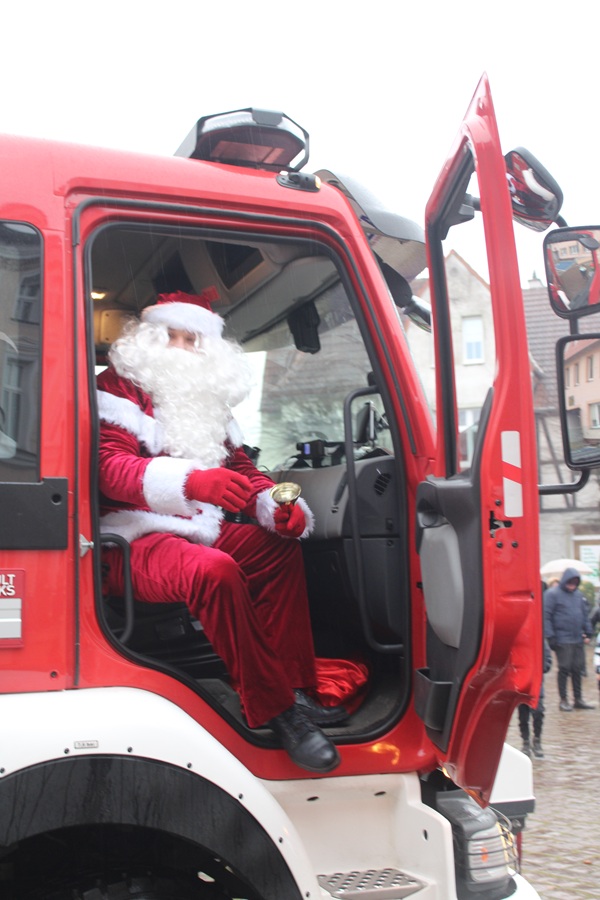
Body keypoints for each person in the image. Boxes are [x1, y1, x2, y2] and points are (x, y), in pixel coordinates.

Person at [97, 290, 350, 774]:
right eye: (171, 335)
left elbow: (240, 469)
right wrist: (192, 482)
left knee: (276, 548)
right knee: (214, 571)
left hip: (194, 526)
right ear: (149, 338)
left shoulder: (204, 399)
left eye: (191, 339)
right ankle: (275, 710)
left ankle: (294, 687)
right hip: (130, 535)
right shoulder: (115, 390)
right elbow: (110, 469)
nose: (181, 347)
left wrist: (275, 506)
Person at [544, 567, 595, 711]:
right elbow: (546, 616)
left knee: (577, 669)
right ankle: (563, 700)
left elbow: (584, 615)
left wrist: (588, 631)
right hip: (562, 639)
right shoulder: (552, 594)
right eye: (570, 582)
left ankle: (578, 699)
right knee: (564, 668)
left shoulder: (578, 595)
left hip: (577, 638)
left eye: (575, 583)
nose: (572, 585)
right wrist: (550, 636)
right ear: (565, 581)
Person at [518, 637, 552, 759]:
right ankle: (525, 742)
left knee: (539, 712)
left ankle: (537, 740)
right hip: (522, 682)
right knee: (523, 715)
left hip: (536, 683)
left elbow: (548, 660)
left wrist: (540, 668)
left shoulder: (541, 640)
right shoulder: (520, 640)